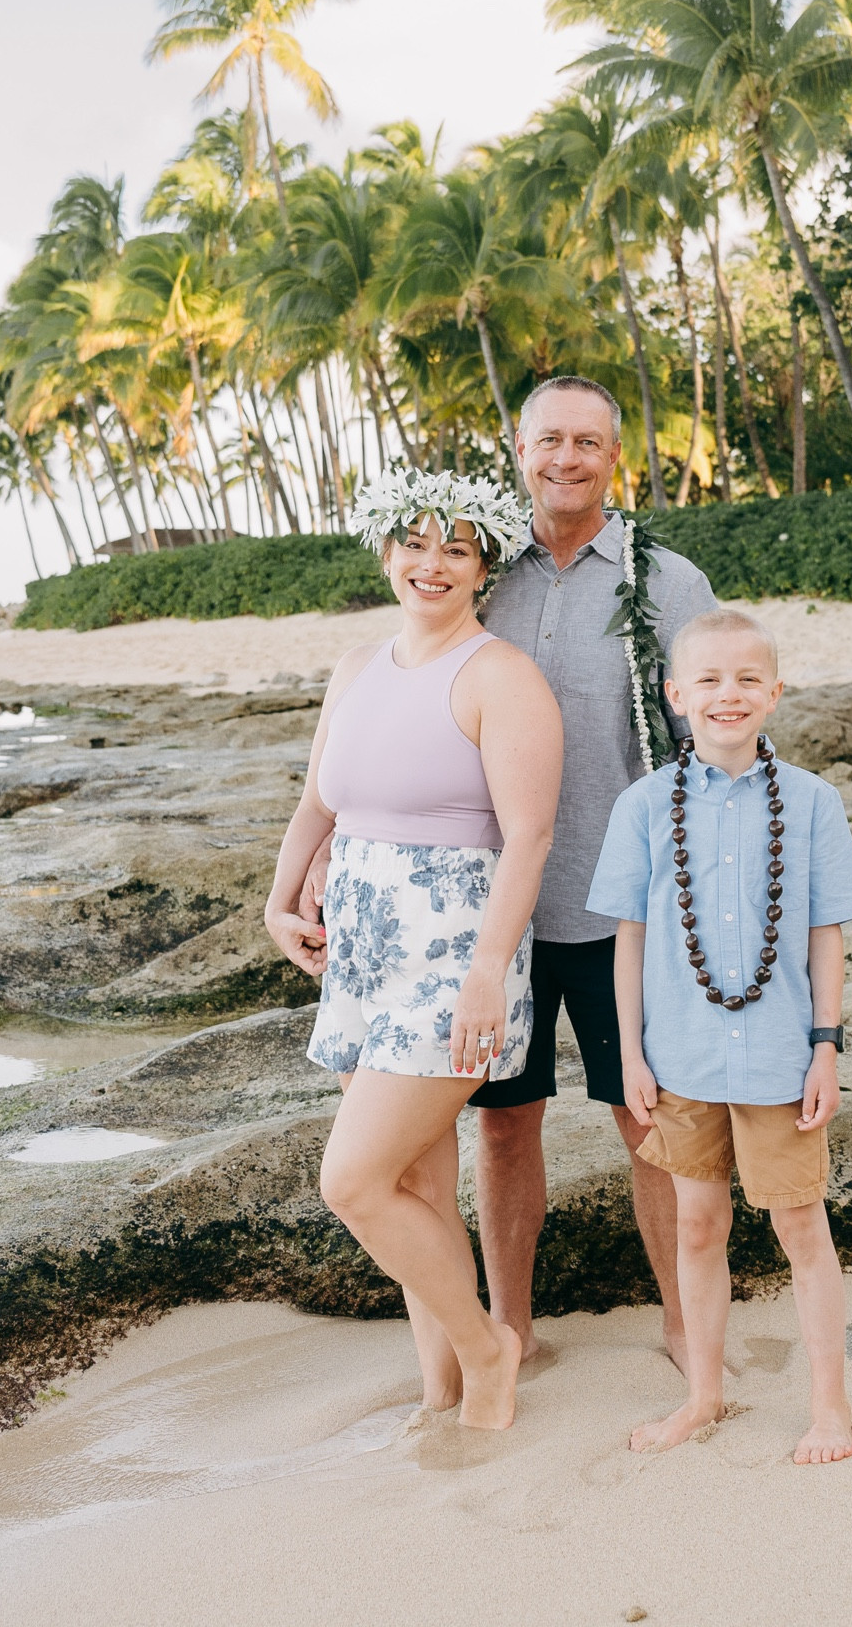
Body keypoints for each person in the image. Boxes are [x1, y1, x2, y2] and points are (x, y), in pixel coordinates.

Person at [296, 377, 715, 1365]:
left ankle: (681, 1323)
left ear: (617, 455)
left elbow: (716, 742)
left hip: (623, 911)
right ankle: (510, 1326)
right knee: (503, 1128)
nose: (566, 457)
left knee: (643, 1116)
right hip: (485, 926)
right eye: (547, 440)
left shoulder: (670, 582)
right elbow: (395, 726)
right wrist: (319, 848)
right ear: (518, 450)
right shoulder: (481, 570)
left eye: (588, 441)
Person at [265, 468, 562, 1432]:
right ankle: (440, 1392)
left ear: (484, 567)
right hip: (359, 951)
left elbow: (530, 838)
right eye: (417, 543)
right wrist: (279, 900)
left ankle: (489, 1354)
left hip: (451, 960)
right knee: (412, 1188)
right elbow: (321, 800)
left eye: (458, 549)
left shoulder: (499, 676)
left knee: (350, 1182)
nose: (431, 564)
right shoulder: (355, 665)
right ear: (386, 548)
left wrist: (486, 974)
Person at [587, 608, 852, 1462]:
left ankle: (830, 1407)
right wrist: (631, 1055)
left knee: (799, 1229)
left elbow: (826, 932)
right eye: (708, 680)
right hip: (681, 1056)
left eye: (747, 679)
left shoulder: (813, 802)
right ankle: (703, 1396)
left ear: (774, 694)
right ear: (675, 695)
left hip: (782, 1057)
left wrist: (825, 1043)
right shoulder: (642, 806)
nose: (727, 694)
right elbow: (628, 937)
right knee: (698, 1225)